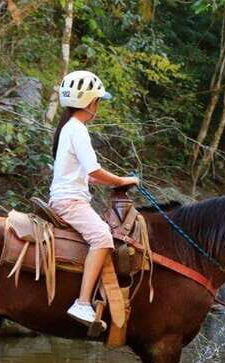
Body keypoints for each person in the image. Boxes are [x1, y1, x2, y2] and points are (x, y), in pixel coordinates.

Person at [49, 70, 139, 328]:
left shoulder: (69, 127)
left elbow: (88, 177)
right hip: (70, 202)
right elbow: (94, 170)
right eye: (97, 101)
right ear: (89, 102)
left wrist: (119, 180)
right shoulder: (78, 130)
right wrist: (121, 181)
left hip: (66, 197)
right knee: (102, 237)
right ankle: (82, 303)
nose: (97, 106)